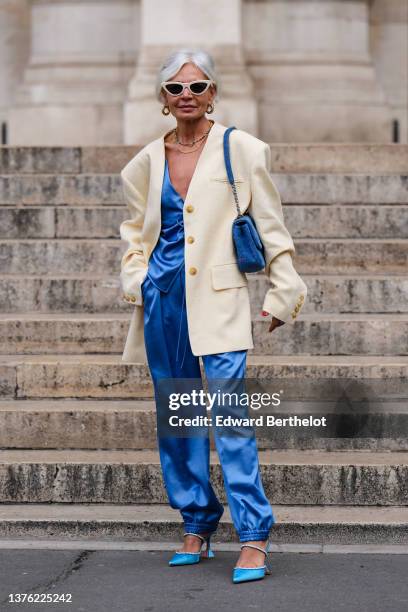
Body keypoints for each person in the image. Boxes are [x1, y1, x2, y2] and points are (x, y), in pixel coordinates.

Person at [119, 48, 307, 583]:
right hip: (163, 297)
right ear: (162, 98)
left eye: (197, 87)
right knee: (178, 418)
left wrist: (282, 289)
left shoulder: (241, 149)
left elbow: (271, 225)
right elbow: (134, 231)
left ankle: (253, 536)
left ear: (214, 93)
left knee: (228, 416)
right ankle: (197, 522)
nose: (186, 96)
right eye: (176, 88)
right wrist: (138, 276)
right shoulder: (145, 162)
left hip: (220, 296)